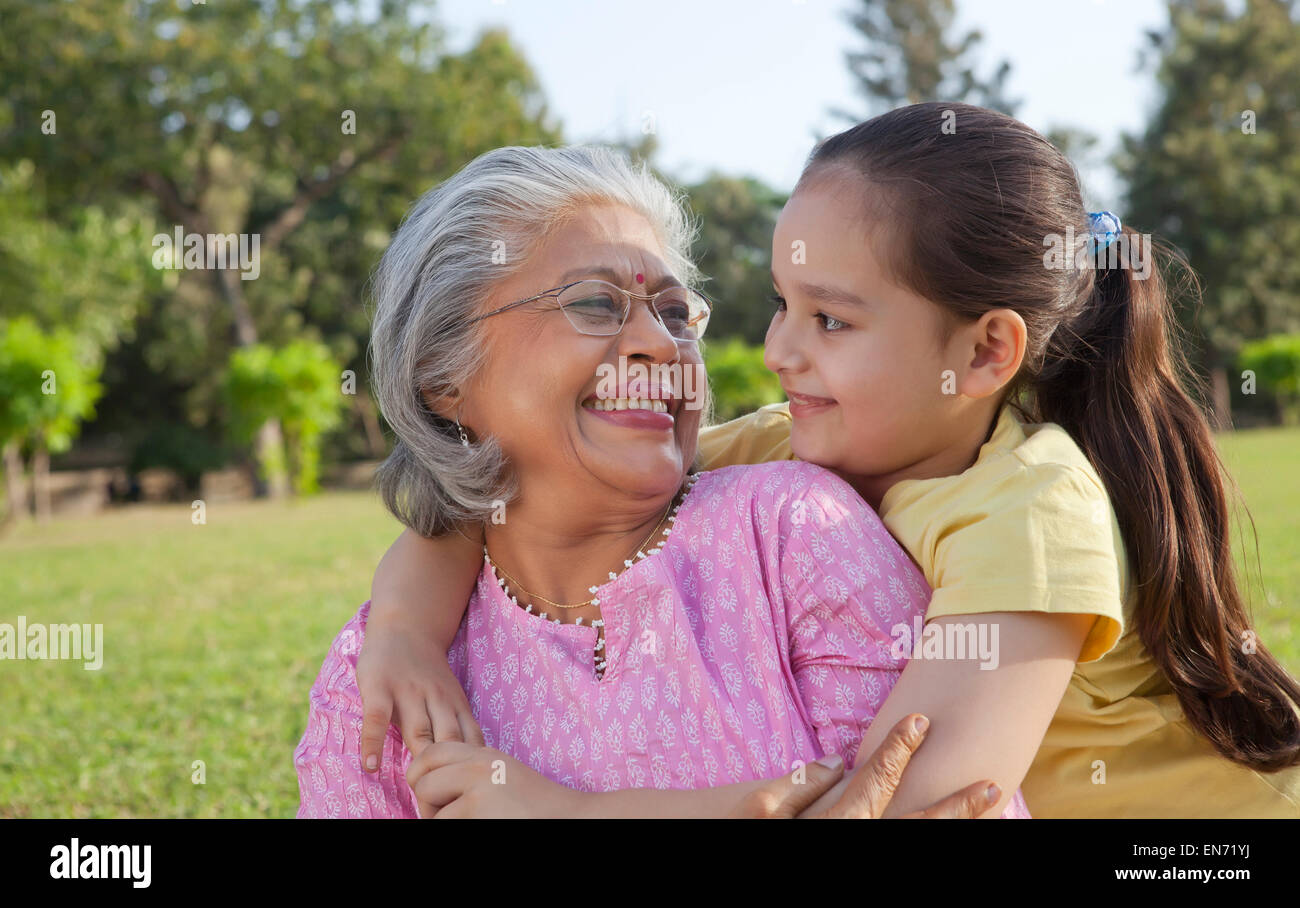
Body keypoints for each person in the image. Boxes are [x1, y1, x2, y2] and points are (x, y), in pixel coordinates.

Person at [360, 104, 1300, 817]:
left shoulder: (1031, 509)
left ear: (982, 355)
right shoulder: (792, 441)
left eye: (831, 319)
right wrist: (402, 629)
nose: (778, 350)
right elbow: (509, 493)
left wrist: (567, 811)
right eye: (779, 303)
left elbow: (898, 807)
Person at [294, 143, 1025, 818]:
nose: (659, 344)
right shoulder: (390, 675)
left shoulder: (798, 533)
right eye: (593, 302)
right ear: (444, 378)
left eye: (676, 313)